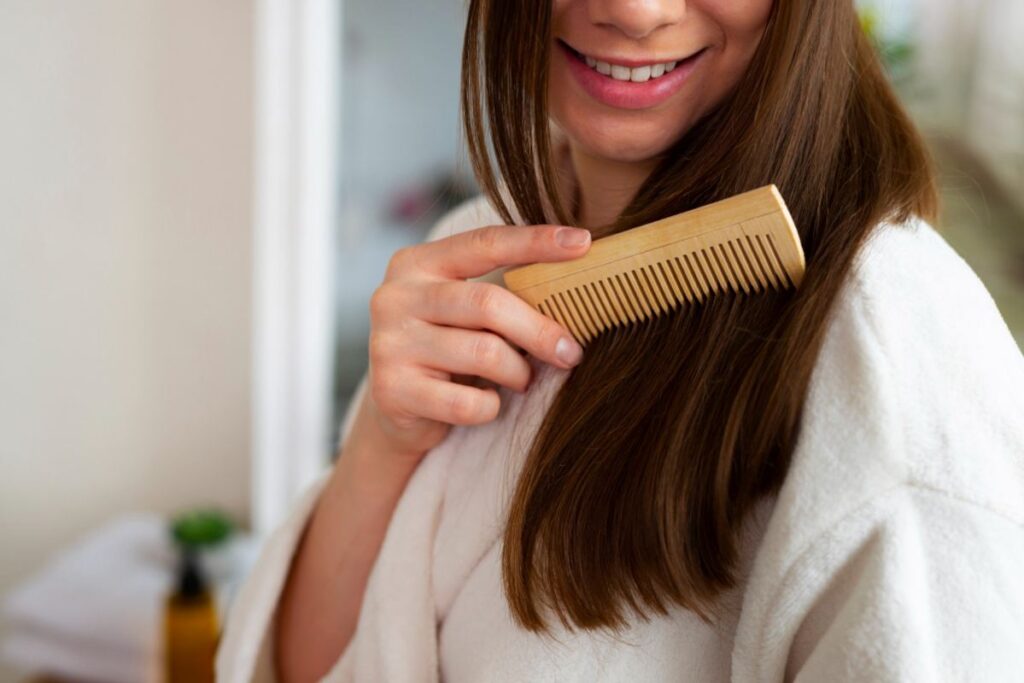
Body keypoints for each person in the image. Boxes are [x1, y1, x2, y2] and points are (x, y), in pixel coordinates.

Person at [217, 0, 1024, 681]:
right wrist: (381, 446)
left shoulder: (897, 369)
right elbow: (309, 665)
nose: (634, 12)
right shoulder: (481, 248)